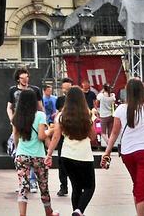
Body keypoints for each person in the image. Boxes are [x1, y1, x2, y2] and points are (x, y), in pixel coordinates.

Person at [102, 77, 144, 216]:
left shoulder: (121, 109)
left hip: (127, 152)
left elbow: (114, 133)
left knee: (137, 184)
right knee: (143, 186)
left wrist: (107, 152)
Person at [47, 85, 97, 216]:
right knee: (90, 187)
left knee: (76, 187)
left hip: (67, 156)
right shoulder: (88, 114)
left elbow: (56, 136)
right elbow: (92, 137)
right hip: (84, 156)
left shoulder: (61, 116)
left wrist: (49, 154)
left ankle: (76, 211)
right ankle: (79, 211)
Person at [10, 87, 55, 216]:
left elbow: (15, 137)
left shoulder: (17, 117)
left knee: (23, 187)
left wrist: (18, 151)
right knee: (43, 186)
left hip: (22, 155)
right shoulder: (40, 115)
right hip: (38, 156)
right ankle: (49, 213)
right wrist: (50, 131)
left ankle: (22, 214)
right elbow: (41, 136)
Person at [55, 78, 74, 199]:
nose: (66, 91)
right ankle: (63, 186)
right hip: (62, 135)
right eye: (65, 89)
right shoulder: (60, 100)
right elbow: (58, 113)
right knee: (61, 163)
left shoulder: (77, 100)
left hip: (74, 134)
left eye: (69, 88)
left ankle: (76, 186)